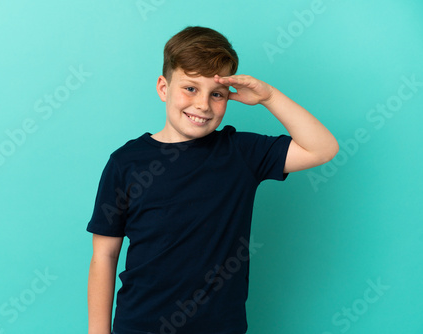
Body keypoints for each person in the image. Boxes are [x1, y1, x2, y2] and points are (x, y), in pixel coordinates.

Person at [86, 26, 339, 334]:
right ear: (163, 88)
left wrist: (269, 97)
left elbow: (323, 148)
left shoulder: (241, 153)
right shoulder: (125, 163)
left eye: (216, 94)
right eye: (190, 88)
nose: (203, 105)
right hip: (140, 325)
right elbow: (104, 254)